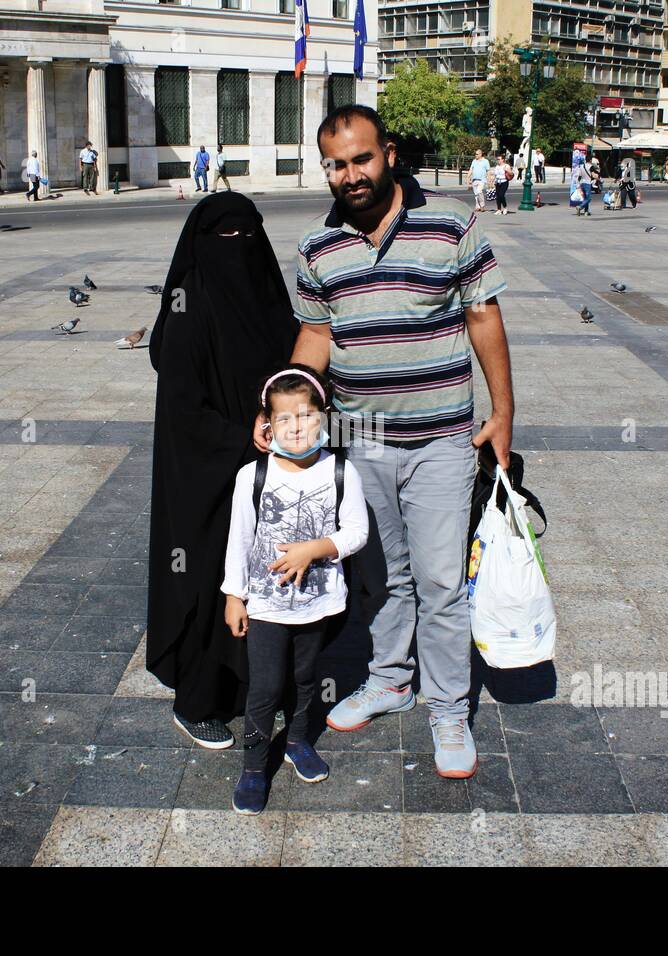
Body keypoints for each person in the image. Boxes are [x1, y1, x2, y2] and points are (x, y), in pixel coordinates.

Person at [263, 103, 513, 779]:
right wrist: (284, 405)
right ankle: (390, 680)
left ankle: (449, 709)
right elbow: (316, 336)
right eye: (336, 165)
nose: (350, 175)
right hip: (359, 440)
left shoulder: (451, 222)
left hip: (440, 440)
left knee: (437, 580)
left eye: (361, 159)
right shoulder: (319, 248)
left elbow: (483, 317)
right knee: (383, 578)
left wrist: (503, 412)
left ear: (389, 153)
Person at [148, 192, 300, 750]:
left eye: (247, 236)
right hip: (207, 475)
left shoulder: (268, 297)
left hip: (273, 467)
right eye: (224, 239)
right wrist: (241, 436)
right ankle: (198, 700)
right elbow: (183, 411)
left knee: (268, 578)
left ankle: (255, 688)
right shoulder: (189, 308)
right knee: (214, 580)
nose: (238, 248)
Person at [223, 365, 369, 814]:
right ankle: (252, 767)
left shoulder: (341, 472)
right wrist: (234, 595)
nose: (296, 427)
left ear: (325, 417)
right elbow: (239, 538)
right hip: (266, 604)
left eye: (306, 416)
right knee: (265, 688)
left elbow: (357, 532)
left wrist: (317, 548)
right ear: (267, 424)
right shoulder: (253, 476)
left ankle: (299, 740)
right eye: (284, 418)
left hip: (317, 602)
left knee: (306, 679)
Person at [468, 148, 490, 213]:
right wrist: (468, 178)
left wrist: (489, 180)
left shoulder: (485, 161)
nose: (475, 155)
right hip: (474, 180)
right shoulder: (474, 161)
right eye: (475, 154)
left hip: (482, 180)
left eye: (477, 154)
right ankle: (477, 206)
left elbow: (488, 171)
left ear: (480, 154)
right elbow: (471, 170)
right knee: (476, 194)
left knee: (479, 191)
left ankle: (482, 206)